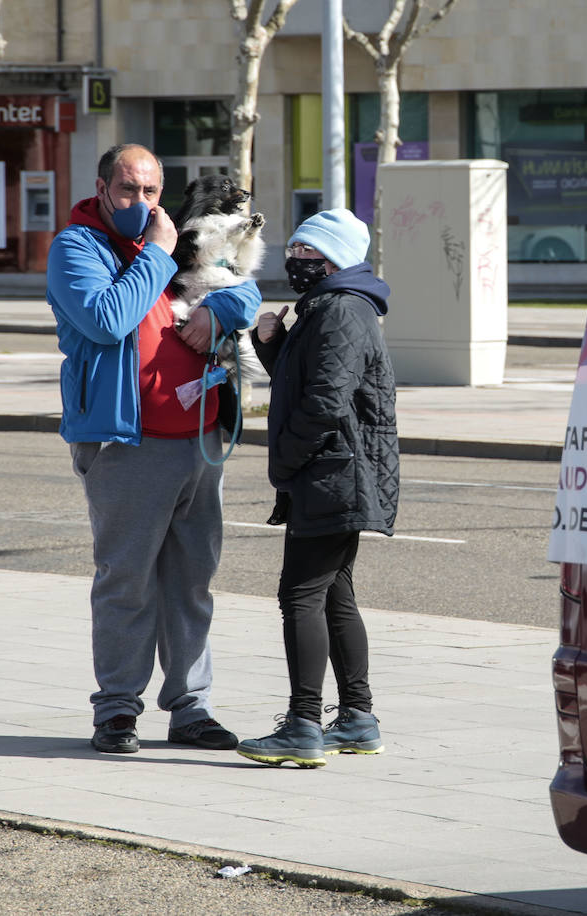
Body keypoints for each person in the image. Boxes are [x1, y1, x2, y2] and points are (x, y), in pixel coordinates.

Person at [46, 143, 262, 754]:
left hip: (198, 436)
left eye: (151, 192)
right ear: (102, 188)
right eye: (127, 191)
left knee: (191, 581)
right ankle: (117, 708)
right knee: (128, 579)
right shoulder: (77, 246)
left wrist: (221, 308)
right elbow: (107, 319)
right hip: (126, 442)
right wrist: (159, 255)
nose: (141, 203)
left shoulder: (175, 239)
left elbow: (244, 290)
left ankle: (190, 707)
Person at [236, 208, 399, 768]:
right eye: (297, 251)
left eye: (315, 255)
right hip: (336, 470)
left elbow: (327, 398)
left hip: (334, 473)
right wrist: (271, 343)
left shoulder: (343, 310)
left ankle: (304, 724)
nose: (299, 261)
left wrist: (285, 457)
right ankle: (356, 717)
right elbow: (308, 380)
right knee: (334, 594)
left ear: (339, 261)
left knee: (300, 595)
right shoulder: (329, 308)